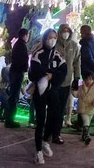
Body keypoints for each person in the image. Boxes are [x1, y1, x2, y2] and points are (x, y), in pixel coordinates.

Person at [28, 29, 67, 166]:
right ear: (45, 39)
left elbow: (63, 70)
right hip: (40, 91)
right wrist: (47, 74)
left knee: (56, 115)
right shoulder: (38, 54)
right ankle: (38, 151)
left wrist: (52, 76)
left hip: (52, 90)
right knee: (40, 121)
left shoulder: (57, 55)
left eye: (55, 37)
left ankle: (45, 141)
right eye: (50, 37)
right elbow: (33, 73)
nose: (53, 40)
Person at [55, 23, 80, 137]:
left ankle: (68, 119)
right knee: (55, 104)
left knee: (69, 101)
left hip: (68, 80)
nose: (65, 33)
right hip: (55, 80)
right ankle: (54, 126)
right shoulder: (54, 44)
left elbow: (76, 63)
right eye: (63, 31)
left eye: (67, 31)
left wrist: (77, 78)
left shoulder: (74, 46)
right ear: (59, 32)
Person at [5, 28, 30, 129]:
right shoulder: (21, 45)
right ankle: (10, 120)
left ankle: (9, 119)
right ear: (25, 35)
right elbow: (23, 60)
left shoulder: (17, 44)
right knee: (14, 96)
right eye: (28, 35)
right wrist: (26, 69)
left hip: (15, 71)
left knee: (13, 95)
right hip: (17, 72)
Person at [76, 72, 94, 146]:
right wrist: (73, 90)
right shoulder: (81, 87)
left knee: (88, 122)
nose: (88, 81)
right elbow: (76, 94)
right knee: (86, 121)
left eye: (90, 79)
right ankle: (86, 136)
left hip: (91, 109)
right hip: (82, 108)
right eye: (86, 79)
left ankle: (83, 135)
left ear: (93, 79)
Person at [0, 54, 12, 122]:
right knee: (6, 104)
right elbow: (7, 78)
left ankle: (0, 116)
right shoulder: (9, 69)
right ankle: (5, 117)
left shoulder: (4, 69)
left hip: (2, 87)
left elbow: (3, 77)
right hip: (6, 87)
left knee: (3, 104)